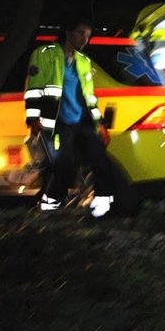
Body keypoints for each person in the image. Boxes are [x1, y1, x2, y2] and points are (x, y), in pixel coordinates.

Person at [25, 19, 115, 218]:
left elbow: (89, 96)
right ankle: (49, 204)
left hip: (81, 120)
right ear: (68, 31)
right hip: (58, 122)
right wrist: (33, 119)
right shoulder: (45, 55)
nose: (85, 39)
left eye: (88, 35)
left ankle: (102, 203)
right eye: (81, 33)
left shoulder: (83, 61)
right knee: (65, 166)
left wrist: (99, 124)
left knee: (100, 159)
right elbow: (34, 88)